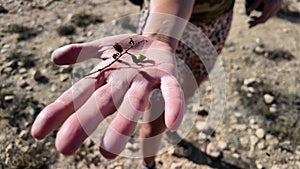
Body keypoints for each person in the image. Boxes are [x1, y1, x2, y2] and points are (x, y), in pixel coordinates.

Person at [31, 0, 282, 168]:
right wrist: (159, 36)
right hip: (168, 23)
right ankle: (147, 163)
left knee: (185, 90)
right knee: (156, 110)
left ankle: (167, 128)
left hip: (217, 20)